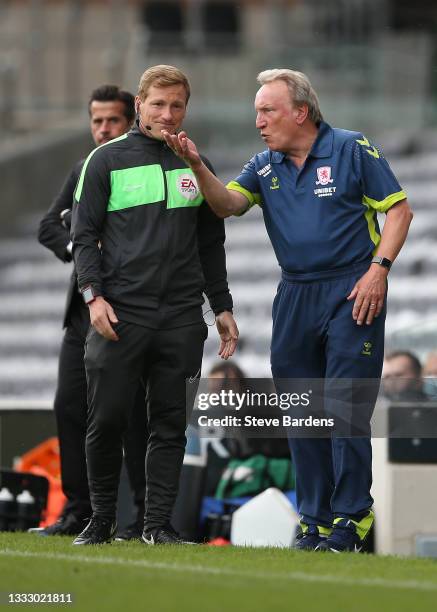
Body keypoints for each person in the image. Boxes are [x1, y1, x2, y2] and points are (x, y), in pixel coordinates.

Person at [162, 68, 413, 552]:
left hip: (352, 290)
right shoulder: (264, 164)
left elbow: (399, 211)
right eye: (257, 111)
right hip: (295, 294)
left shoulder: (350, 148)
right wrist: (196, 165)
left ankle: (352, 517)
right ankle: (313, 520)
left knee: (343, 408)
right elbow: (227, 205)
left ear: (300, 112)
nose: (258, 121)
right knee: (303, 414)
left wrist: (378, 269)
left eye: (267, 110)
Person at [71, 65, 238, 545]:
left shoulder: (194, 160)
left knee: (170, 425)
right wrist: (93, 296)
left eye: (177, 105)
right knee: (106, 420)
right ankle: (101, 519)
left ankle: (157, 526)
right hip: (122, 312)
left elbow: (211, 242)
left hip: (183, 317)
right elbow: (83, 237)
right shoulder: (104, 161)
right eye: (158, 104)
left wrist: (221, 305)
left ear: (186, 108)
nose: (168, 114)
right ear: (138, 105)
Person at [36, 85, 147, 539]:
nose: (103, 129)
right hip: (82, 314)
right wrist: (78, 245)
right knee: (69, 406)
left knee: (134, 416)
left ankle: (145, 517)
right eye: (97, 121)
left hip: (132, 312)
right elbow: (49, 224)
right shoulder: (84, 168)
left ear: (130, 122)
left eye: (112, 121)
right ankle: (77, 511)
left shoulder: (143, 168)